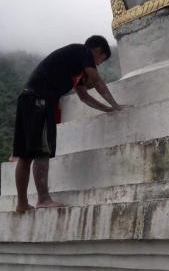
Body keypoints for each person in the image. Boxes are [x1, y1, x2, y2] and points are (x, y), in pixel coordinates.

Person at [13, 36, 124, 213]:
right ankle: (43, 199)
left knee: (25, 155)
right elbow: (97, 81)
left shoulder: (74, 65)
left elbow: (84, 96)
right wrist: (116, 105)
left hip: (28, 99)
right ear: (97, 51)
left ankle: (22, 203)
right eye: (100, 61)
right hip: (40, 100)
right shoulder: (83, 51)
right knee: (41, 150)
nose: (97, 65)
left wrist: (109, 110)